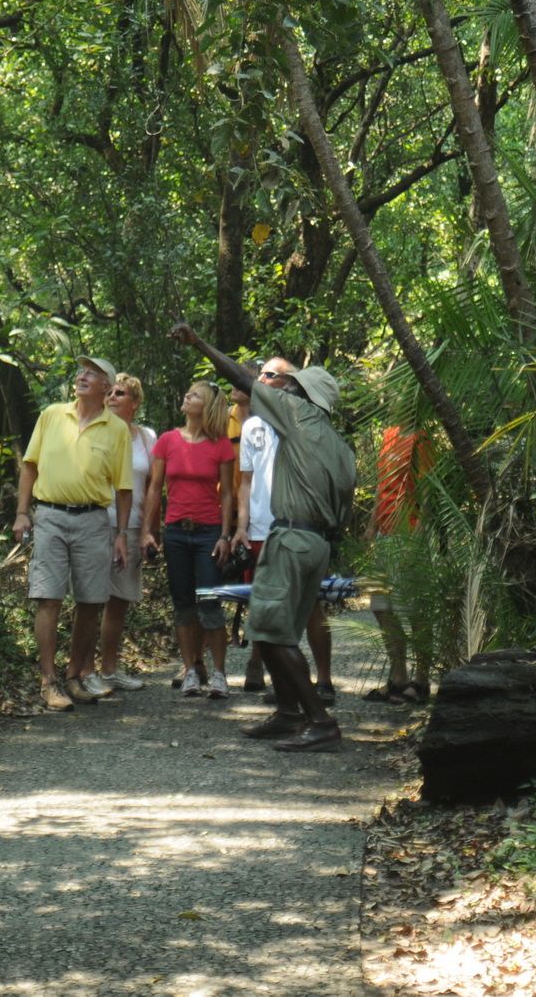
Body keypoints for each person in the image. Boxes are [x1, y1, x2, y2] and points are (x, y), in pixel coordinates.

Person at [171, 321, 354, 752]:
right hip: (318, 543)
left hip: (291, 539)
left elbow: (243, 380)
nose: (281, 390)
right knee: (275, 630)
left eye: (290, 385)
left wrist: (200, 342)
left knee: (270, 632)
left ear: (303, 395)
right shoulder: (340, 446)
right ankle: (290, 712)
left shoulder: (298, 414)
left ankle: (319, 721)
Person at [14, 356, 133, 711]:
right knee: (48, 597)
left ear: (107, 387)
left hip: (94, 520)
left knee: (91, 601)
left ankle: (74, 676)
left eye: (93, 374)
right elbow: (30, 465)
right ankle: (48, 681)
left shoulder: (117, 430)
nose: (83, 376)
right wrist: (22, 513)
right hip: (49, 515)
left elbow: (124, 488)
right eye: (82, 371)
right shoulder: (52, 415)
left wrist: (122, 534)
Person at [234, 355, 338, 702]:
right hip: (271, 529)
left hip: (295, 530)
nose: (260, 379)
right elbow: (245, 482)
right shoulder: (253, 426)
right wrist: (240, 526)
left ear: (293, 387)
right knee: (267, 612)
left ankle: (317, 695)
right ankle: (283, 698)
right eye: (259, 374)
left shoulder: (298, 423)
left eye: (271, 375)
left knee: (299, 612)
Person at [141, 379, 237, 699]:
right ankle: (192, 670)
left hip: (209, 532)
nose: (187, 395)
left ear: (206, 406)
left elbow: (228, 495)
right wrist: (148, 531)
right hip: (177, 532)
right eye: (188, 391)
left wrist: (225, 534)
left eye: (194, 394)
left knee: (209, 603)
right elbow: (155, 488)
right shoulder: (167, 440)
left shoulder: (220, 445)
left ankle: (220, 674)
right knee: (183, 604)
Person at [364, 424, 435, 704]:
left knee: (415, 609)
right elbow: (382, 485)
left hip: (409, 532)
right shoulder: (389, 433)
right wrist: (371, 525)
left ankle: (422, 680)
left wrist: (416, 541)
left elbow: (428, 493)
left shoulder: (422, 438)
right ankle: (398, 677)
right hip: (384, 533)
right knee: (381, 607)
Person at [97, 373, 156, 692]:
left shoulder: (147, 437)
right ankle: (80, 672)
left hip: (131, 527)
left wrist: (149, 532)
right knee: (89, 598)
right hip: (95, 523)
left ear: (135, 402)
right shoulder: (95, 431)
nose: (112, 397)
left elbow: (152, 488)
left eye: (120, 393)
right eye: (109, 393)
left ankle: (109, 670)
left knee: (118, 600)